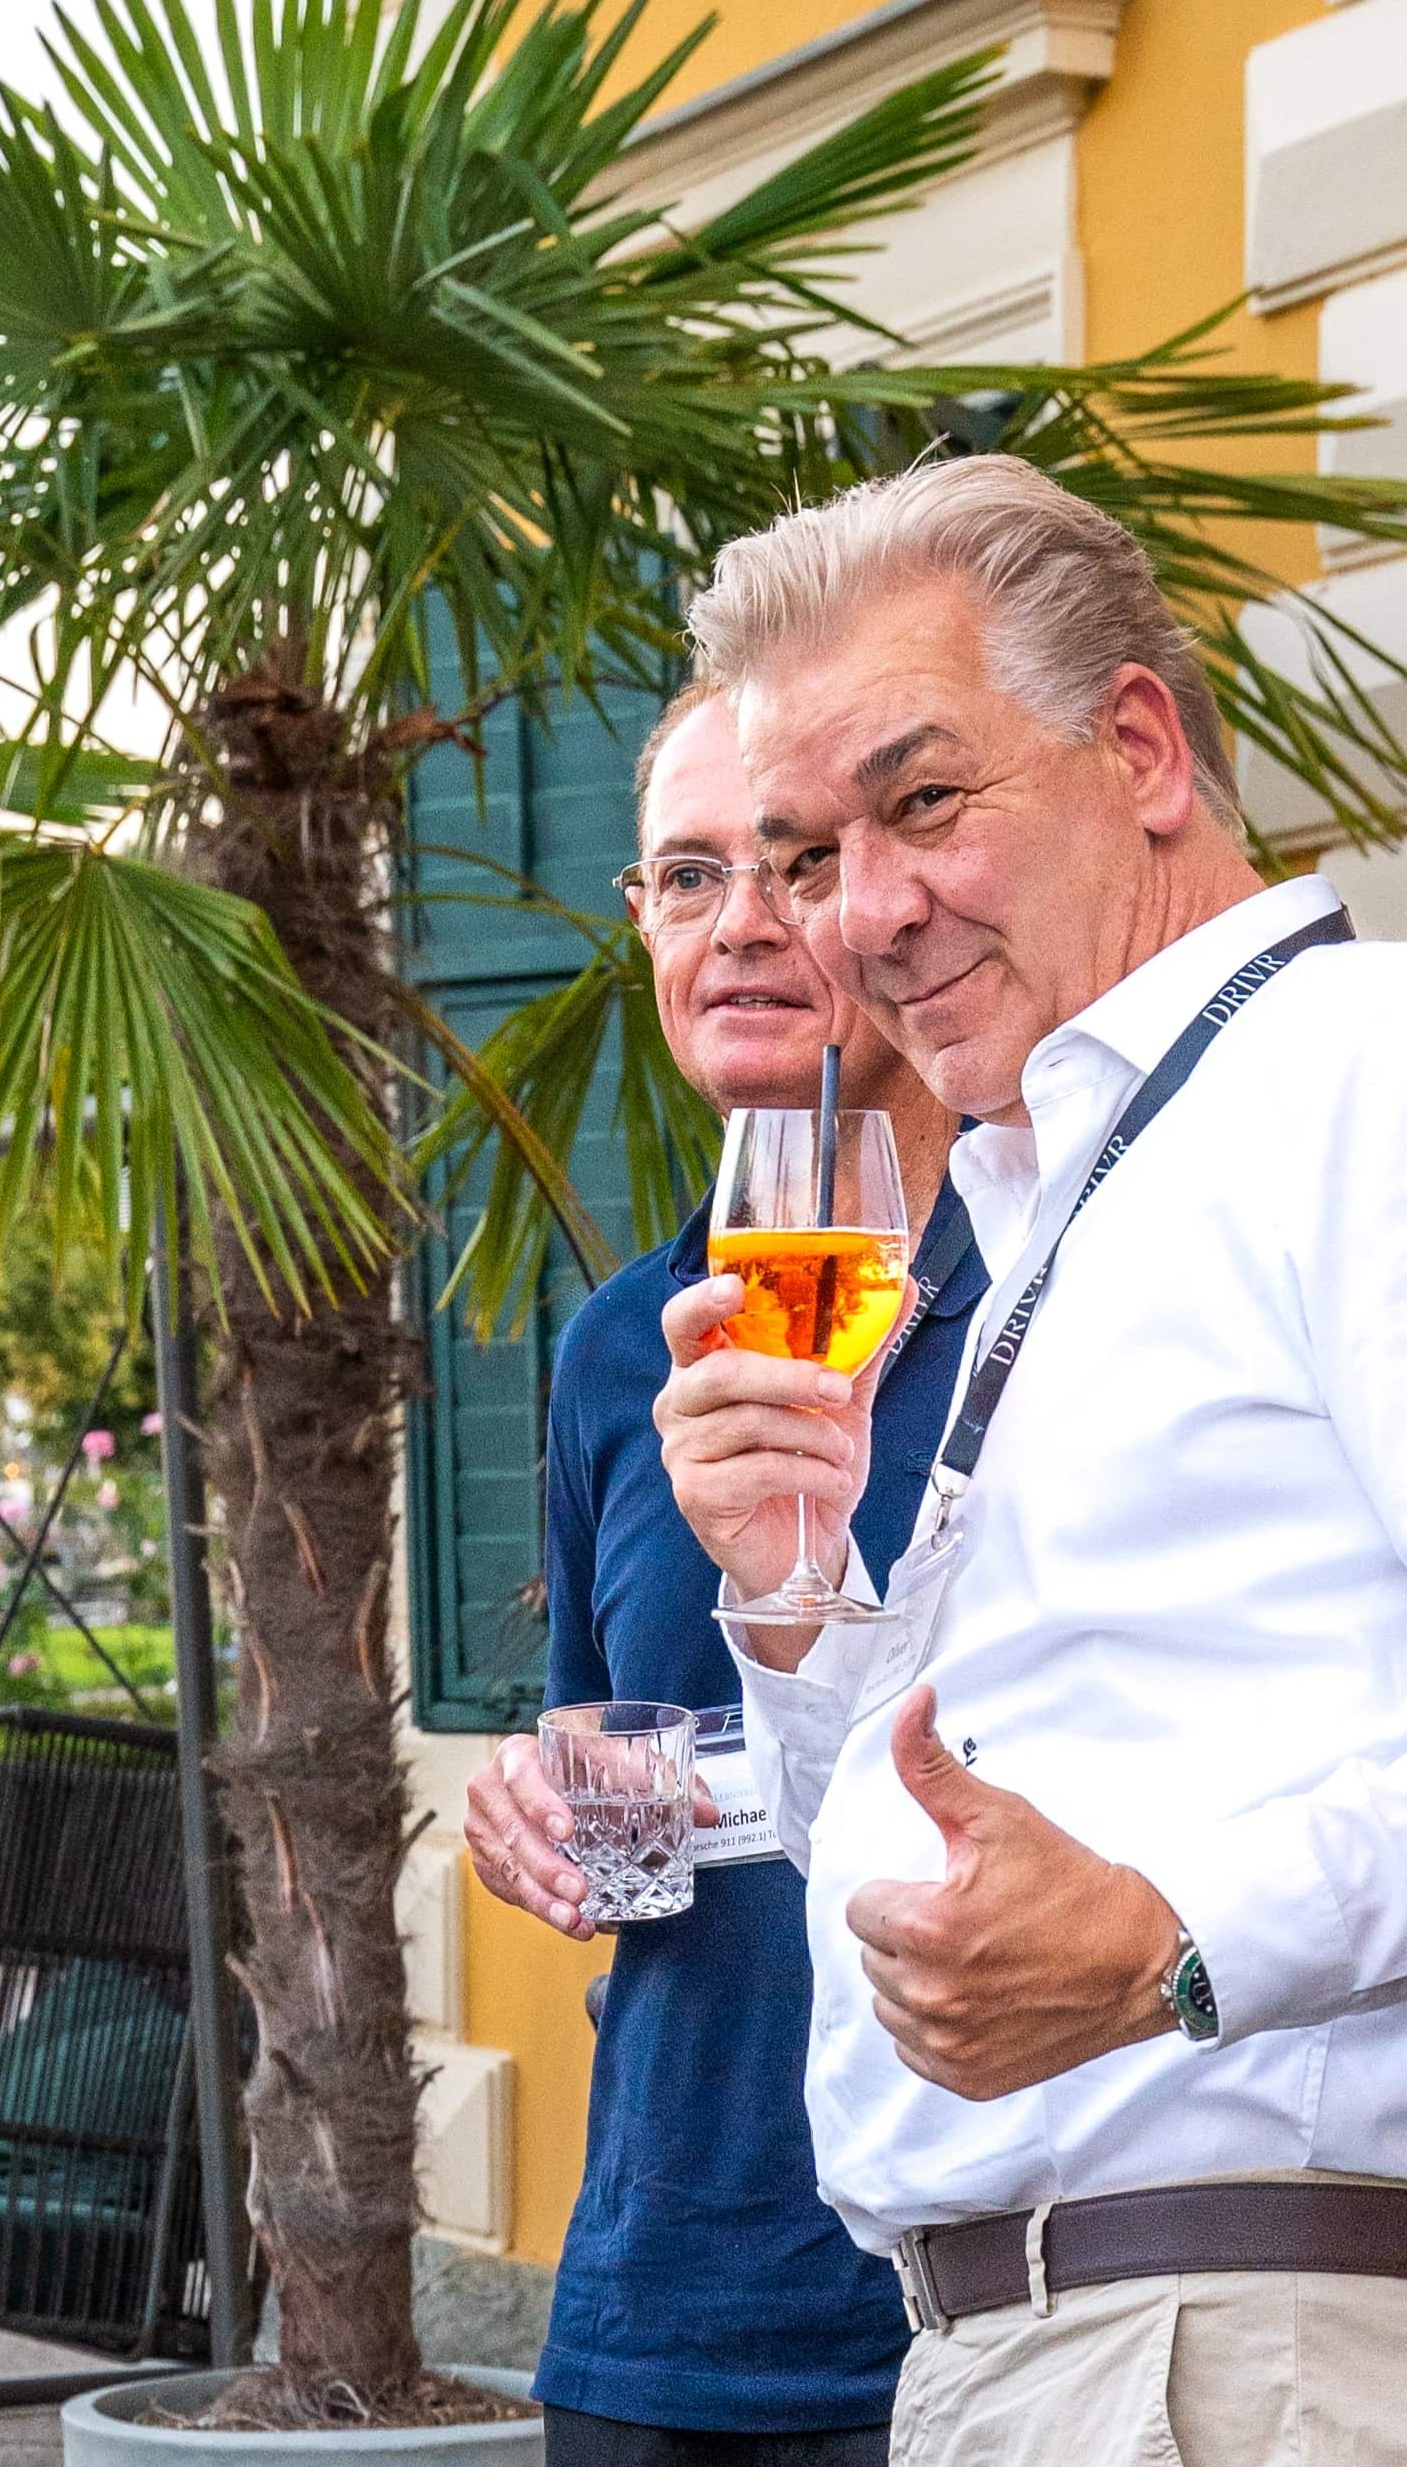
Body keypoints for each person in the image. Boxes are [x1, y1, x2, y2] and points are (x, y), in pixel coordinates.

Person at [648, 454, 1407, 2465]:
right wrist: (796, 1585)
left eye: (923, 803)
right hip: (1051, 2354)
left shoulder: (1391, 1068)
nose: (868, 910)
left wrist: (1182, 1932)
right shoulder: (1072, 1184)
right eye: (814, 845)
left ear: (1144, 748)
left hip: (1254, 2365)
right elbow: (925, 1866)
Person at [461, 686, 971, 2466]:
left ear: (907, 901)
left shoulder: (1062, 1294)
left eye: (796, 866)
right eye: (688, 875)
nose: (740, 922)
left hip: (962, 2302)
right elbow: (631, 1739)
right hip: (661, 2300)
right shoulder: (624, 1343)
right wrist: (529, 1795)